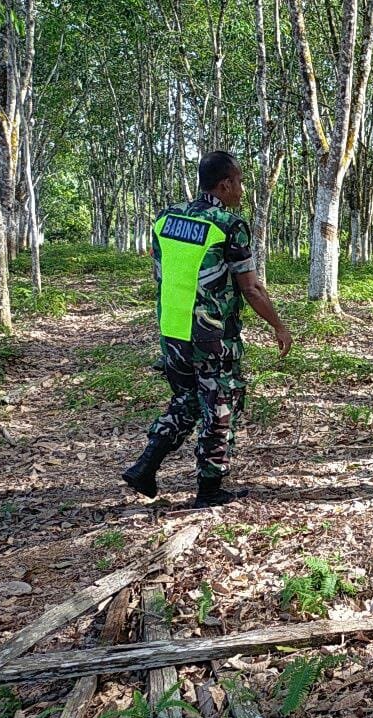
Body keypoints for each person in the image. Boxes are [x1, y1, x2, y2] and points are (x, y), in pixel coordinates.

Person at [122, 151, 293, 507]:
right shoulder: (229, 225)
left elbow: (161, 273)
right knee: (219, 408)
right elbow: (251, 288)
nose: (242, 190)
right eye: (240, 182)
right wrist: (278, 325)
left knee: (186, 400)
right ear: (225, 184)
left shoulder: (166, 219)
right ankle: (210, 489)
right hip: (211, 335)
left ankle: (145, 466)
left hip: (172, 330)